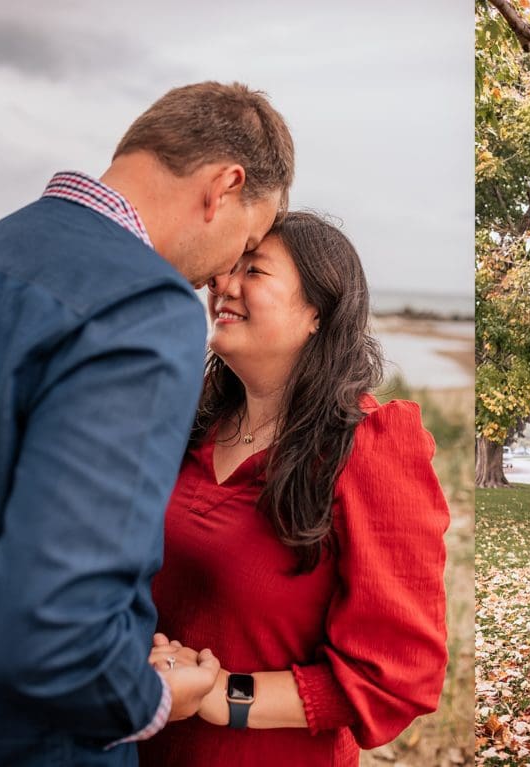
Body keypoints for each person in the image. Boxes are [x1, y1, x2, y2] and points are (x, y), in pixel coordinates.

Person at [0, 81, 294, 765]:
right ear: (224, 187)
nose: (230, 268)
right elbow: (48, 633)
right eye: (250, 238)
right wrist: (149, 693)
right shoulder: (145, 309)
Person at [137, 212, 450, 767]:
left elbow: (397, 675)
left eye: (253, 272)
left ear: (315, 314)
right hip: (141, 741)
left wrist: (224, 695)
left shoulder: (369, 447)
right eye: (227, 268)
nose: (222, 284)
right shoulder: (190, 420)